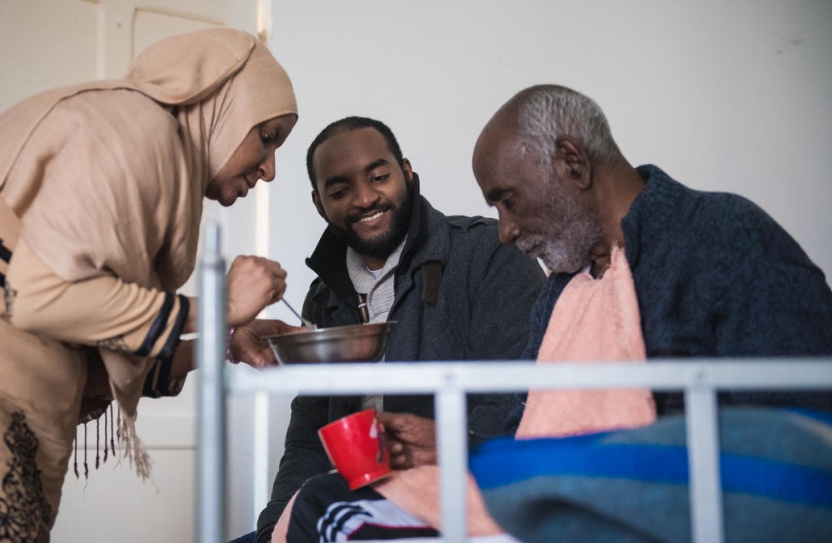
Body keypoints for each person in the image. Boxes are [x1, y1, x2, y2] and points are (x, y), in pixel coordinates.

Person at [279, 85, 832, 542]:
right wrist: (444, 444)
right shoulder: (563, 290)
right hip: (547, 499)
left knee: (332, 511)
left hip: (657, 510)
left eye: (509, 201)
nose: (506, 230)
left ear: (572, 162)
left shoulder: (720, 237)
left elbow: (805, 434)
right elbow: (530, 437)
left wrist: (592, 469)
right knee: (322, 501)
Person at [0, 28, 300, 541]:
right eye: (266, 137)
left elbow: (98, 325)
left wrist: (224, 342)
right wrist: (220, 305)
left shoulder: (116, 129)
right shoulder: (142, 126)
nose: (270, 169)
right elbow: (42, 297)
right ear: (220, 103)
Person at [252, 116, 547, 543]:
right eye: (340, 191)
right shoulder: (324, 296)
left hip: (461, 505)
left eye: (378, 176)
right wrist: (271, 531)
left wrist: (421, 470)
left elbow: (520, 401)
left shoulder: (489, 254)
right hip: (349, 509)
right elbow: (308, 439)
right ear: (319, 203)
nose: (365, 198)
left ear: (406, 172)